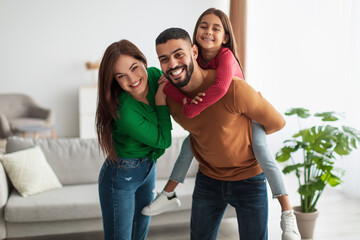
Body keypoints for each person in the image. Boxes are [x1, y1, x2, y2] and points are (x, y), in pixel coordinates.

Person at [142, 8, 300, 240]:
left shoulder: (232, 81)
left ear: (193, 52)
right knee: (190, 143)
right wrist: (172, 99)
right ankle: (168, 193)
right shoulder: (170, 92)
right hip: (208, 180)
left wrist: (246, 137)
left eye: (178, 55)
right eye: (164, 59)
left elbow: (275, 122)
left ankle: (287, 212)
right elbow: (169, 120)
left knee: (262, 148)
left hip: (249, 179)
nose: (172, 63)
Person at [95, 39, 172, 240]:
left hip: (148, 168)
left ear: (143, 61)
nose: (132, 79)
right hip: (121, 175)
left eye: (134, 68)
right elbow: (164, 141)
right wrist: (162, 101)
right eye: (121, 76)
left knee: (140, 235)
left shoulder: (156, 76)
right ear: (115, 81)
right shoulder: (125, 112)